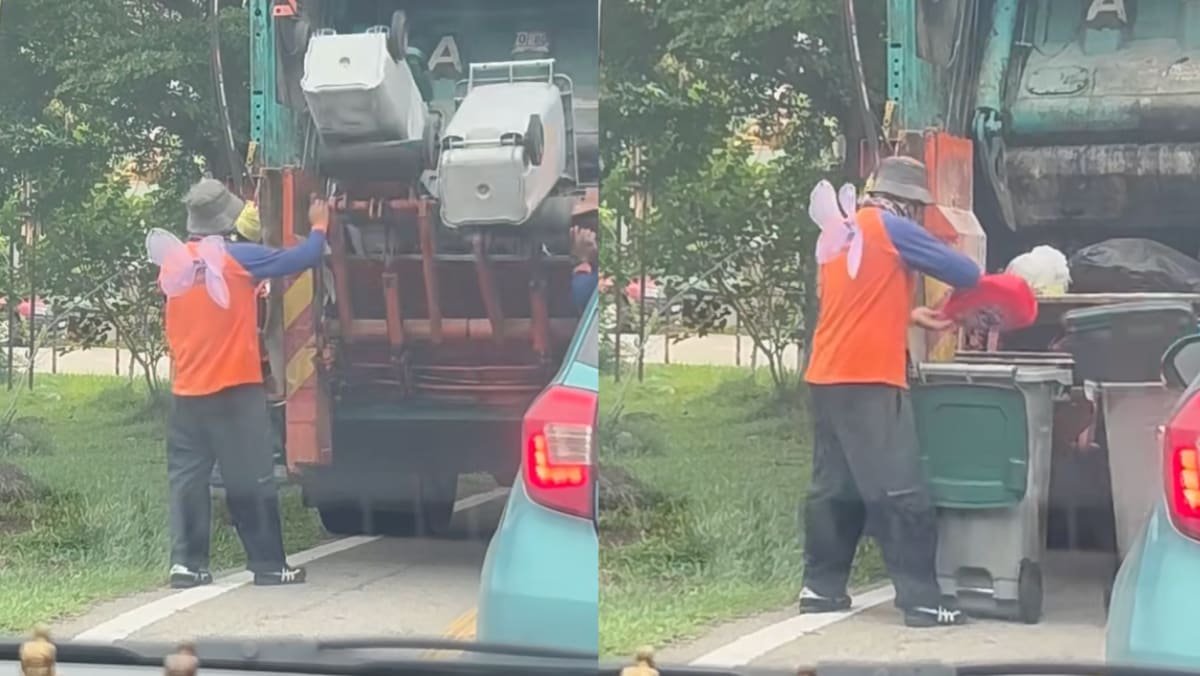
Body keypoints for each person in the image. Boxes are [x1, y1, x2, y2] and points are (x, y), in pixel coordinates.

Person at [799, 156, 981, 627]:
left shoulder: (841, 231)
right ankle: (922, 600)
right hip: (869, 380)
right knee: (900, 490)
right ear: (908, 202)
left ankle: (821, 588)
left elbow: (851, 303)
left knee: (833, 488)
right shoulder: (891, 228)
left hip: (826, 376)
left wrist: (906, 315)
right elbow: (965, 272)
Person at [165, 178, 328, 588]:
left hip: (186, 393)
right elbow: (304, 257)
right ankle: (269, 566)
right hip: (235, 391)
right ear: (226, 220)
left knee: (188, 479)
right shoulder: (238, 258)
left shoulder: (173, 263)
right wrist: (320, 224)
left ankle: (187, 565)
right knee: (251, 477)